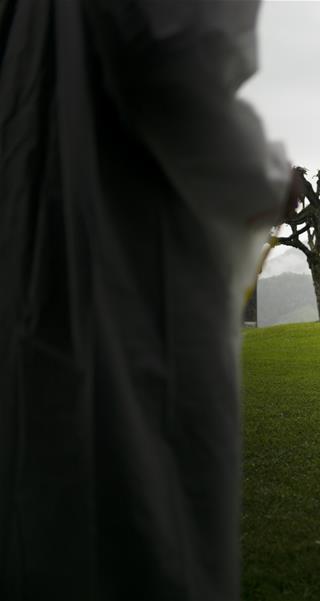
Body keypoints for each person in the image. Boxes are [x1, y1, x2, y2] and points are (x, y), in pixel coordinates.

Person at [0, 2, 294, 599]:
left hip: (41, 245)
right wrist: (264, 180)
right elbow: (168, 61)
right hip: (130, 271)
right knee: (146, 518)